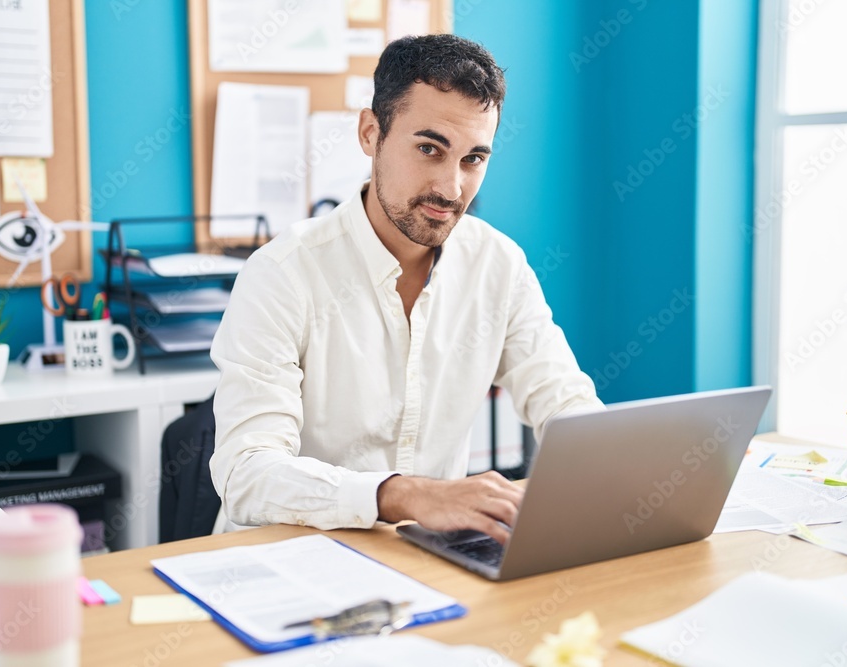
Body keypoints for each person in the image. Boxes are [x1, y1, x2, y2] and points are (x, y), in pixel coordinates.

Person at [210, 34, 602, 544]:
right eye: (428, 149)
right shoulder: (283, 274)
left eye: (473, 159)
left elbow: (564, 401)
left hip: (427, 558)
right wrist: (406, 495)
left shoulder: (497, 264)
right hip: (290, 559)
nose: (451, 188)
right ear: (371, 133)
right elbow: (246, 475)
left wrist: (618, 468)